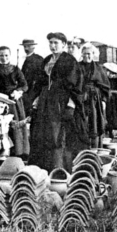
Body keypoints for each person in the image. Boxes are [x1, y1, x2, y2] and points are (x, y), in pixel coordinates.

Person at [28, 32, 87, 172]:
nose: (53, 46)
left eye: (56, 43)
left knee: (57, 136)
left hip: (61, 103)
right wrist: (36, 99)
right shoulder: (47, 60)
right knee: (42, 134)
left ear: (64, 45)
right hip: (45, 103)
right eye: (51, 43)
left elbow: (77, 85)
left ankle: (60, 169)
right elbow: (41, 82)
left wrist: (71, 105)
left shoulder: (69, 61)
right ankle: (43, 169)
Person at [0, 46, 29, 158]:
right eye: (1, 55)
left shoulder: (15, 69)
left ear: (10, 56)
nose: (4, 58)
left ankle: (18, 153)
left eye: (6, 55)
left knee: (15, 125)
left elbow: (24, 85)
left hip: (13, 102)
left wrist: (18, 91)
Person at [79, 43, 110, 148]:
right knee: (82, 123)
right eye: (84, 54)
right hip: (81, 99)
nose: (86, 56)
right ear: (81, 54)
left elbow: (105, 86)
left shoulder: (99, 68)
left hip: (95, 101)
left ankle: (95, 149)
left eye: (89, 54)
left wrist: (104, 100)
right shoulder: (77, 67)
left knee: (95, 123)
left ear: (93, 55)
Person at [20, 39, 44, 114]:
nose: (26, 48)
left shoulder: (38, 59)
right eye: (25, 46)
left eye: (28, 46)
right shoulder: (24, 59)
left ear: (33, 47)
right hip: (25, 89)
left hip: (33, 90)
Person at [103, 62, 117, 139]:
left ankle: (111, 131)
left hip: (113, 100)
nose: (113, 75)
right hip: (106, 99)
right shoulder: (104, 79)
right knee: (107, 115)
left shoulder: (114, 80)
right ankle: (106, 130)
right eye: (111, 73)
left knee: (112, 115)